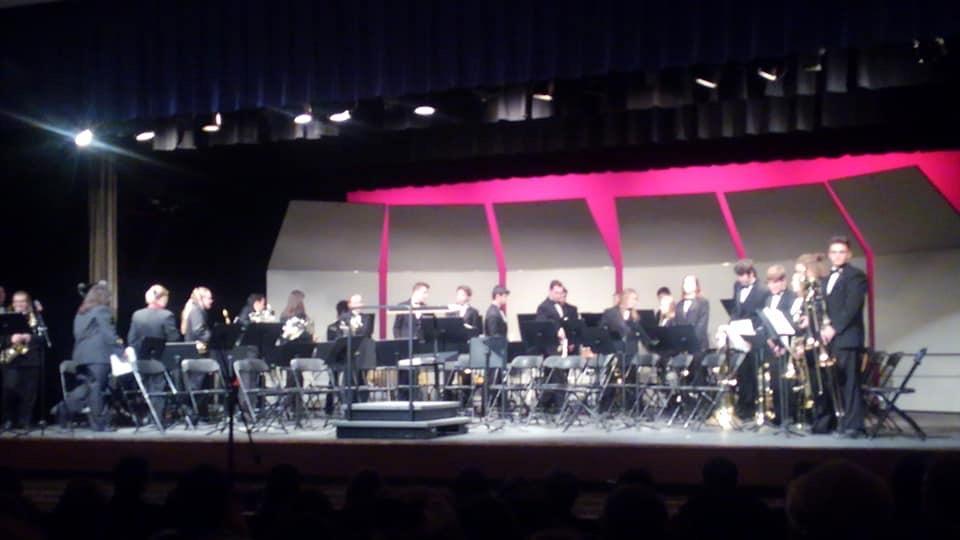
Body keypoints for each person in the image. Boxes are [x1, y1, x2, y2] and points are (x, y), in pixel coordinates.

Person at [55, 282, 121, 431]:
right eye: (108, 297)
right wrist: (121, 351)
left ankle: (64, 407)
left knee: (87, 388)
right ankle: (99, 424)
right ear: (103, 297)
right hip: (98, 356)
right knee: (97, 388)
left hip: (81, 356)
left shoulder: (81, 312)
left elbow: (77, 334)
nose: (109, 299)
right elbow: (109, 334)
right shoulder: (102, 310)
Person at [820, 235, 868, 436]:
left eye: (842, 252)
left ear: (849, 254)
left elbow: (852, 307)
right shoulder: (826, 278)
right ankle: (840, 422)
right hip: (830, 338)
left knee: (850, 383)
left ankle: (854, 425)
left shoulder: (856, 276)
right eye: (834, 252)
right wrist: (823, 326)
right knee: (835, 382)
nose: (838, 255)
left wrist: (834, 328)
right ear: (829, 255)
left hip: (847, 337)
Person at [731, 259, 768, 421]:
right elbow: (736, 309)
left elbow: (761, 315)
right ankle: (742, 405)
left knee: (752, 371)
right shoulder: (737, 286)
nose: (740, 279)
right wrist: (732, 324)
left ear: (751, 273)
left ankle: (751, 406)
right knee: (741, 369)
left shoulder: (762, 290)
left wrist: (753, 331)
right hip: (739, 332)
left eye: (742, 276)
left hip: (753, 334)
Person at [1, 291, 42, 431]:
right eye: (16, 301)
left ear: (28, 303)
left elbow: (43, 338)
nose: (19, 304)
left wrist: (30, 338)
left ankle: (25, 421)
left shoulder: (36, 318)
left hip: (31, 360)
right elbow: (2, 338)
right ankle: (8, 420)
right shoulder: (7, 317)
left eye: (22, 301)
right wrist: (10, 339)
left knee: (29, 393)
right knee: (9, 391)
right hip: (11, 360)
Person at [673, 275, 710, 385]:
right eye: (685, 282)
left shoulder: (703, 302)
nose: (687, 285)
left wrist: (690, 340)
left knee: (698, 376)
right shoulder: (679, 305)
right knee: (684, 378)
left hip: (698, 346)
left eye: (690, 283)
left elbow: (702, 325)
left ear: (696, 286)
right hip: (683, 347)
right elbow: (676, 325)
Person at [127, 284, 180, 356]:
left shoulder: (137, 315)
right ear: (162, 298)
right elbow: (174, 340)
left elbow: (131, 339)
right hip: (161, 359)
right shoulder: (167, 315)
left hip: (140, 358)